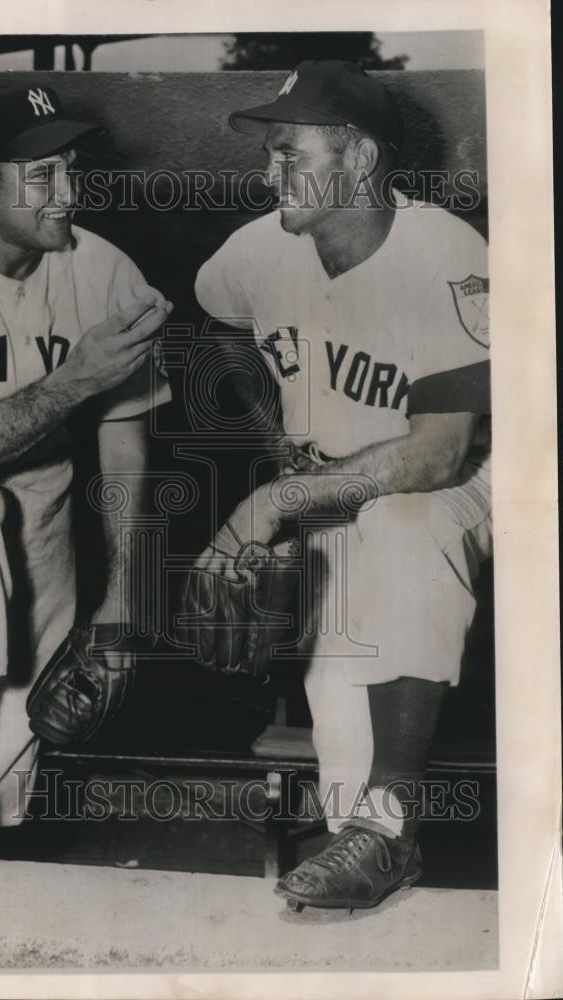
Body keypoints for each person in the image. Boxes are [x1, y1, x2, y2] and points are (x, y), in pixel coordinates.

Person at [194, 61, 491, 910]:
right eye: (269, 154)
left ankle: (392, 824)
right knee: (338, 715)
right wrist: (274, 442)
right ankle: (365, 851)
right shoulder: (257, 250)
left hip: (464, 475)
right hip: (335, 478)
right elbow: (218, 325)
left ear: (359, 158)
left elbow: (435, 456)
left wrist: (274, 499)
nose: (269, 173)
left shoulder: (447, 253)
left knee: (403, 527)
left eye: (290, 153)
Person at [0, 78, 172, 891]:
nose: (68, 193)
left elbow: (124, 448)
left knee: (0, 808)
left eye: (71, 169)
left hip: (42, 527)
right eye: (41, 175)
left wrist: (124, 598)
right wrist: (77, 378)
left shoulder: (105, 271)